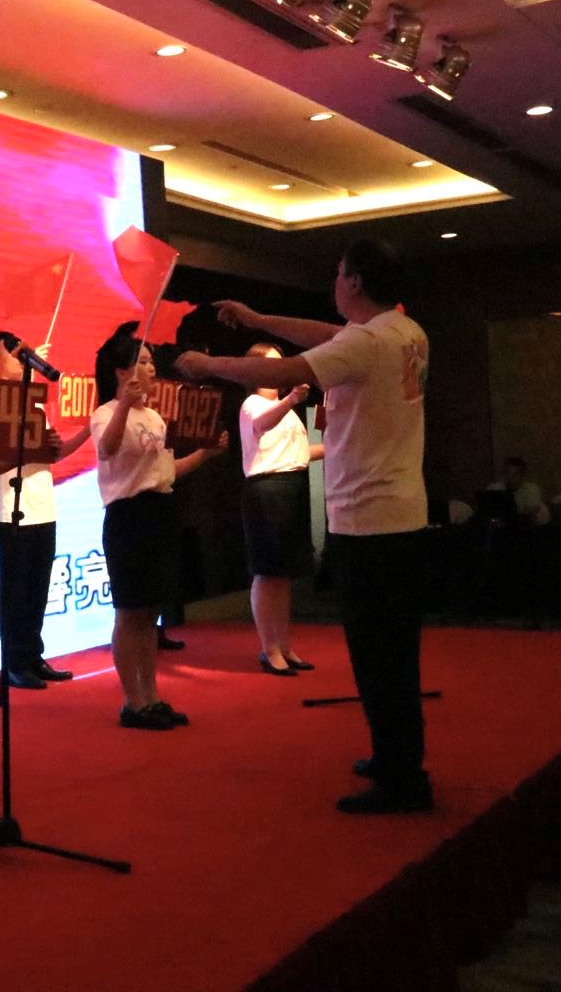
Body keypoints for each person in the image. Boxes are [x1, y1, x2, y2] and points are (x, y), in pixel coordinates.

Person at [177, 238, 433, 814]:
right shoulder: (406, 332)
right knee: (393, 653)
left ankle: (401, 778)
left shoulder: (367, 343)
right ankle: (395, 758)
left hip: (369, 521)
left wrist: (209, 365)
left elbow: (291, 366)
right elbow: (326, 334)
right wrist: (257, 318)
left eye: (340, 273)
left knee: (377, 656)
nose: (334, 282)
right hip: (399, 514)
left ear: (356, 282)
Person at [91, 323, 224, 731]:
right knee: (129, 612)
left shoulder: (154, 417)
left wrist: (204, 455)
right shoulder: (105, 413)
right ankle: (132, 702)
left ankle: (151, 695)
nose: (152, 370)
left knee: (150, 614)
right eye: (144, 362)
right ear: (121, 372)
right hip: (127, 517)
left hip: (159, 513)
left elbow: (165, 470)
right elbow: (107, 449)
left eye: (151, 363)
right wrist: (124, 406)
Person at [0, 330, 87, 689]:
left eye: (22, 351)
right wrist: (29, 447)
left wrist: (85, 432)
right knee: (15, 592)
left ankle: (33, 656)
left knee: (37, 589)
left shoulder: (35, 404)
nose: (20, 357)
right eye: (12, 352)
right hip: (13, 510)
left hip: (44, 509)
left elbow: (51, 454)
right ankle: (13, 663)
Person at [237, 344, 324, 676]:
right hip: (267, 490)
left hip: (291, 486)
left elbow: (297, 451)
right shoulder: (252, 404)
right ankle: (269, 648)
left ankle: (284, 644)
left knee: (283, 574)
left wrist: (336, 446)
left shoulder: (284, 409)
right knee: (267, 571)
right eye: (272, 365)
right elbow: (263, 424)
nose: (279, 371)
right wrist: (290, 399)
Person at [490, 456, 548, 526]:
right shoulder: (496, 488)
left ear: (522, 476)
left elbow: (528, 517)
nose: (510, 478)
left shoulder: (531, 489)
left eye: (515, 475)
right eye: (507, 474)